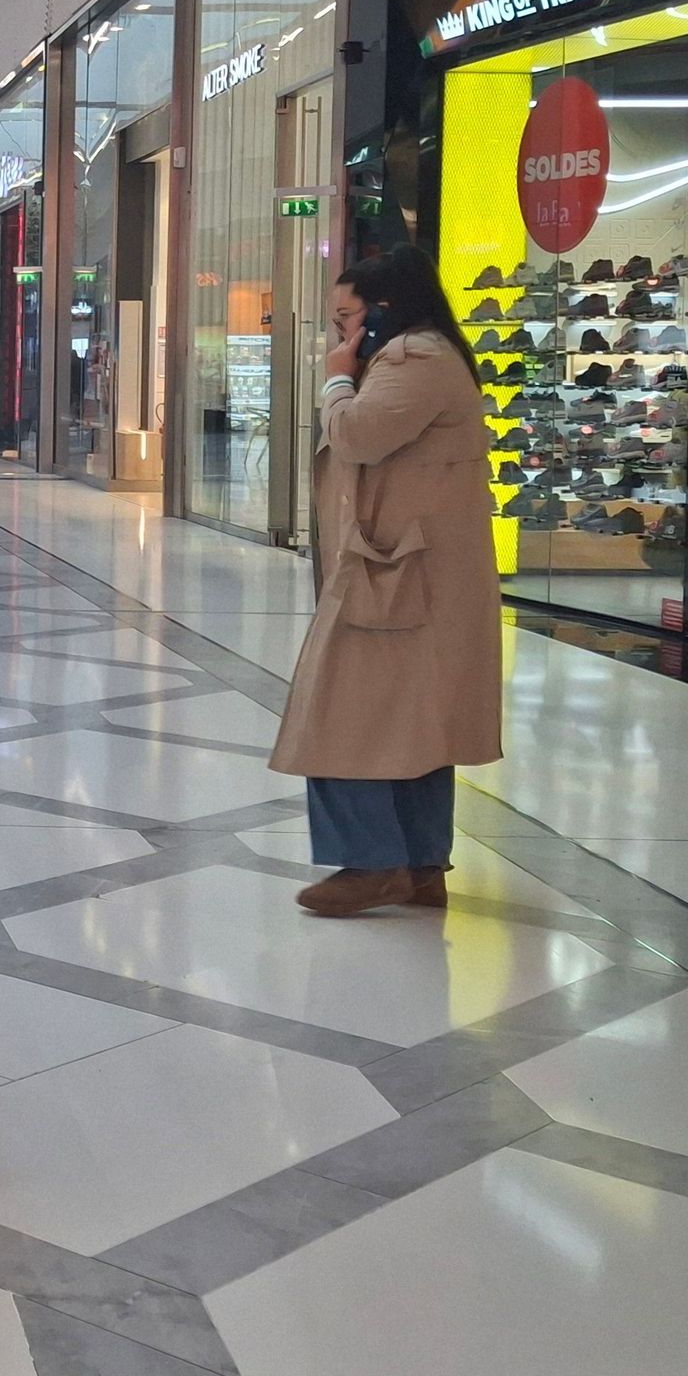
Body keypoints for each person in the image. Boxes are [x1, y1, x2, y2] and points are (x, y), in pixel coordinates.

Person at [268, 245, 501, 914]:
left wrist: (338, 378)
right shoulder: (428, 354)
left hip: (397, 574)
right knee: (414, 722)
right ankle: (421, 865)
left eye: (347, 318)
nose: (339, 333)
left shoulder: (413, 358)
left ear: (384, 310)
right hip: (407, 569)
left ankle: (371, 862)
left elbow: (359, 437)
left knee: (340, 715)